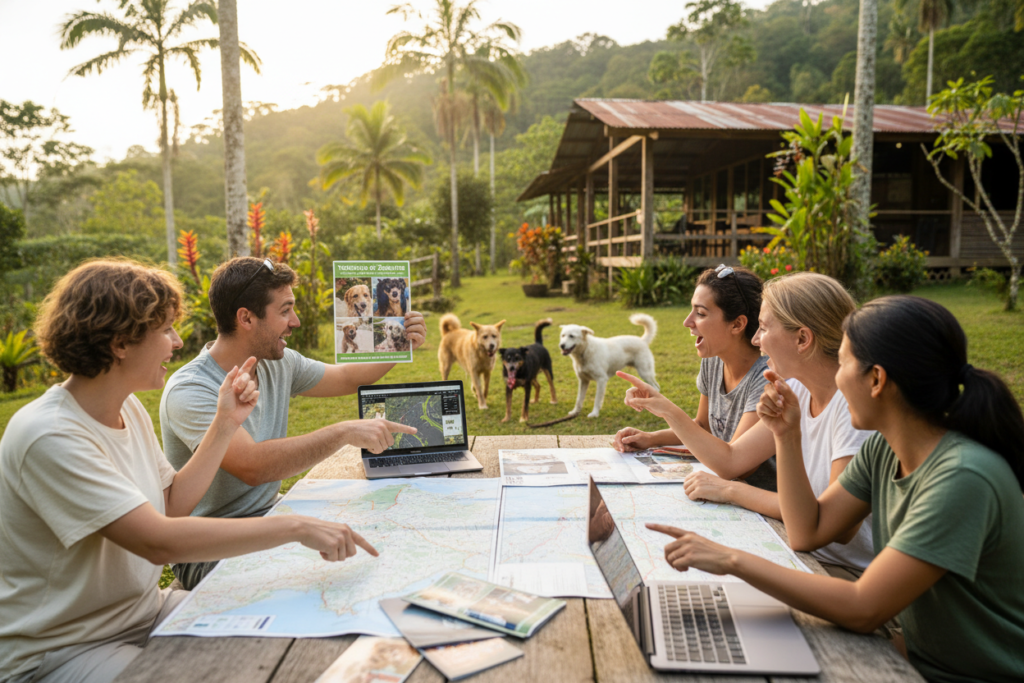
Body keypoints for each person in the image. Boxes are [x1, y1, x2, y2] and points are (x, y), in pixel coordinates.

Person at [0, 260, 378, 683]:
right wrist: (294, 527)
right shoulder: (49, 435)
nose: (177, 342)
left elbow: (171, 504)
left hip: (142, 612)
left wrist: (224, 424)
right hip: (64, 648)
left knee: (296, 633)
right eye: (164, 330)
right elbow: (156, 541)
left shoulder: (125, 409)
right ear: (121, 343)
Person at [647, 295, 1024, 683]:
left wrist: (730, 560)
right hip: (924, 654)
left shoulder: (963, 478)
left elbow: (864, 608)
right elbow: (808, 531)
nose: (836, 377)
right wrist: (787, 436)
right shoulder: (883, 447)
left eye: (843, 363)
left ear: (876, 380)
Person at [160, 257, 425, 589]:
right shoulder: (191, 391)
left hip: (271, 522)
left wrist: (400, 344)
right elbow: (253, 466)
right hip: (211, 552)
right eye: (285, 311)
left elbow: (346, 376)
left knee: (383, 540)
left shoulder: (277, 362)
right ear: (246, 318)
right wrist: (343, 431)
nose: (295, 321)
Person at [617, 272, 874, 576]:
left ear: (803, 339)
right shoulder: (798, 390)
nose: (755, 339)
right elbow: (735, 457)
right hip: (793, 546)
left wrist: (730, 491)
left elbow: (827, 529)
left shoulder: (855, 410)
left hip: (842, 570)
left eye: (763, 328)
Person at [613, 265, 769, 461]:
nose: (687, 322)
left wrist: (668, 410)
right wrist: (649, 438)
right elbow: (704, 427)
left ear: (737, 324)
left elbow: (737, 463)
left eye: (701, 313)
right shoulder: (714, 360)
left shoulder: (766, 378)